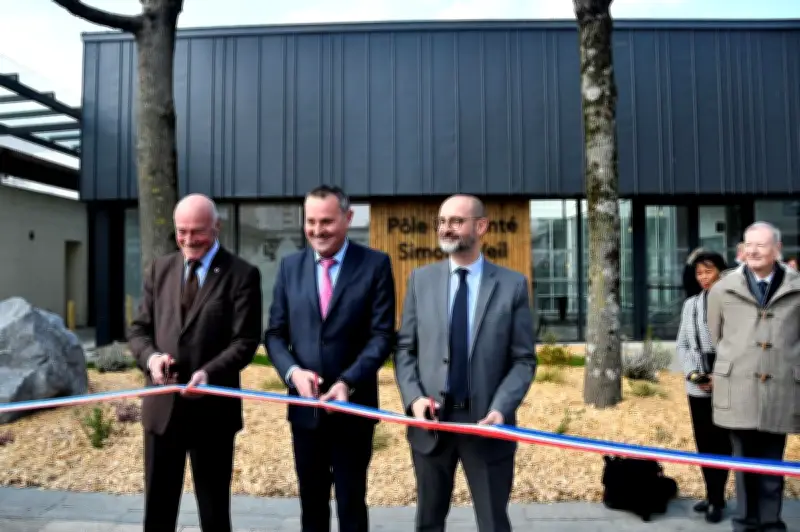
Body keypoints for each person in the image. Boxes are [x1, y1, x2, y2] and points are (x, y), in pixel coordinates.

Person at [394, 194, 537, 532]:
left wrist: (501, 409)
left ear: (481, 226)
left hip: (487, 425)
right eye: (442, 222)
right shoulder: (420, 280)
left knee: (493, 523)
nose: (446, 228)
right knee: (428, 522)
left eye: (456, 221)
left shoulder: (512, 285)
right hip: (431, 426)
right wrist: (413, 399)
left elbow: (523, 360)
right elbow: (404, 350)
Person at [127, 193, 263, 532]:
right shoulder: (160, 269)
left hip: (213, 413)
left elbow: (245, 341)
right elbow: (139, 330)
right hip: (162, 412)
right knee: (157, 513)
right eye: (181, 231)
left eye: (197, 231)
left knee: (215, 513)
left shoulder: (242, 275)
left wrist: (209, 373)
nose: (189, 240)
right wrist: (152, 359)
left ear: (217, 227)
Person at [264, 185, 396, 532]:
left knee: (352, 503)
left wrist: (347, 382)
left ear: (348, 219)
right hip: (305, 411)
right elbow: (275, 334)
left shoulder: (375, 265)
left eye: (327, 221)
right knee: (312, 503)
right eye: (310, 222)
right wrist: (293, 373)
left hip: (353, 409)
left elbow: (382, 336)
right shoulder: (290, 267)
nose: (318, 230)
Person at [707, 221, 800, 532]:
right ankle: (745, 522)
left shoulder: (796, 286)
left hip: (782, 385)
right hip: (739, 387)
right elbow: (716, 334)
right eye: (749, 244)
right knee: (743, 461)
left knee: (773, 459)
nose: (754, 250)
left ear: (777, 249)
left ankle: (771, 522)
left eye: (761, 245)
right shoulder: (722, 289)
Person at [675, 250, 732, 523]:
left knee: (723, 442)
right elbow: (683, 345)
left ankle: (718, 497)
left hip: (726, 379)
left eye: (708, 271)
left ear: (721, 272)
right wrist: (696, 376)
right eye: (699, 273)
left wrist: (719, 377)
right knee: (704, 441)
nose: (704, 277)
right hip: (698, 382)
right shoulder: (691, 305)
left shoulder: (733, 302)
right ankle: (711, 494)